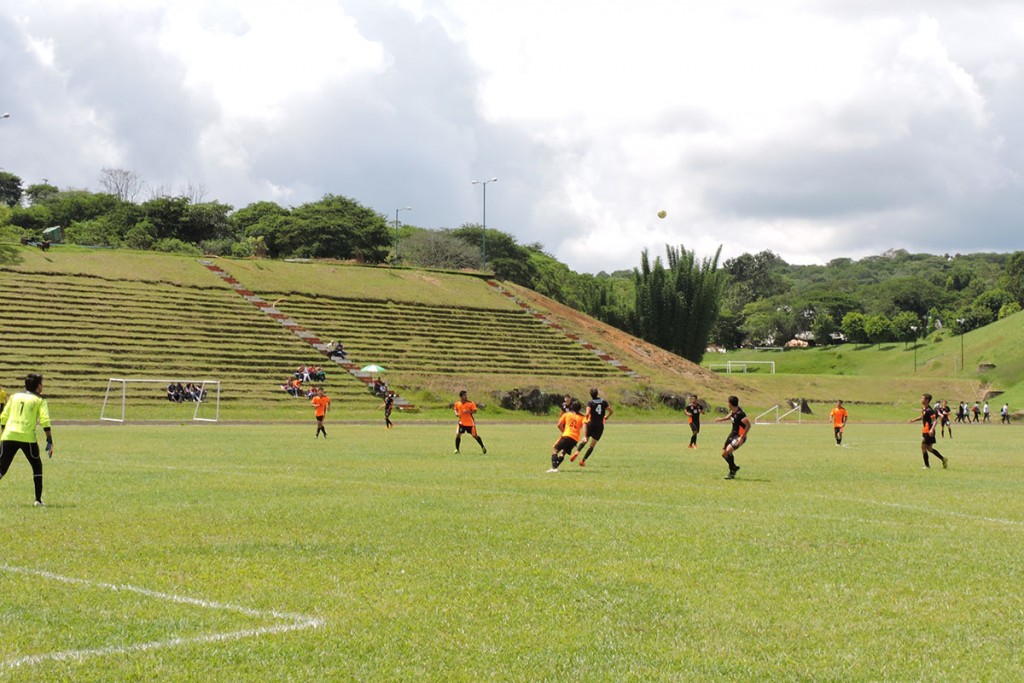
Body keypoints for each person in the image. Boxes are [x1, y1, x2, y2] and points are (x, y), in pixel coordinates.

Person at [0, 373, 53, 506]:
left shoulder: (14, 396)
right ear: (38, 386)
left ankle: (38, 500)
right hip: (27, 437)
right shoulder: (40, 400)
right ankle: (38, 500)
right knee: (37, 466)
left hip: (8, 435)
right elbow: (45, 420)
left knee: (2, 469)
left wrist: (5, 433)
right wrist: (49, 440)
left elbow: (3, 417)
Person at [572, 387, 613, 465]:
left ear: (591, 395)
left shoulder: (590, 402)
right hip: (599, 425)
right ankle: (583, 460)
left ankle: (577, 451)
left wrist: (585, 418)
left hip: (591, 424)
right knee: (592, 445)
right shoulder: (603, 401)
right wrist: (606, 416)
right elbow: (611, 411)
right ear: (597, 393)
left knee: (585, 439)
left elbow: (587, 413)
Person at [714, 395, 750, 480]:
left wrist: (742, 437)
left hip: (739, 436)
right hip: (732, 435)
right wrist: (721, 419)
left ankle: (732, 472)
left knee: (728, 450)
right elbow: (730, 416)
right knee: (724, 454)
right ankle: (733, 467)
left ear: (730, 404)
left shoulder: (740, 413)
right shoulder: (733, 410)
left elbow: (748, 425)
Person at [909, 393, 947, 469]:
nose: (921, 400)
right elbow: (922, 417)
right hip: (925, 431)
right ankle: (943, 459)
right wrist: (914, 420)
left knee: (923, 447)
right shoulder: (924, 409)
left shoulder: (930, 410)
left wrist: (932, 429)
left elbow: (935, 421)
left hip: (928, 431)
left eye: (923, 398)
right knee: (929, 448)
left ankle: (927, 466)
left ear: (927, 400)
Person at [548, 400, 585, 472]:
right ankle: (555, 467)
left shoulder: (567, 414)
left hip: (567, 435)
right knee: (563, 453)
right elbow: (585, 425)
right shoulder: (582, 417)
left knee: (555, 450)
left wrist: (564, 431)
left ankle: (554, 468)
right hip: (575, 438)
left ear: (572, 407)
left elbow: (559, 425)